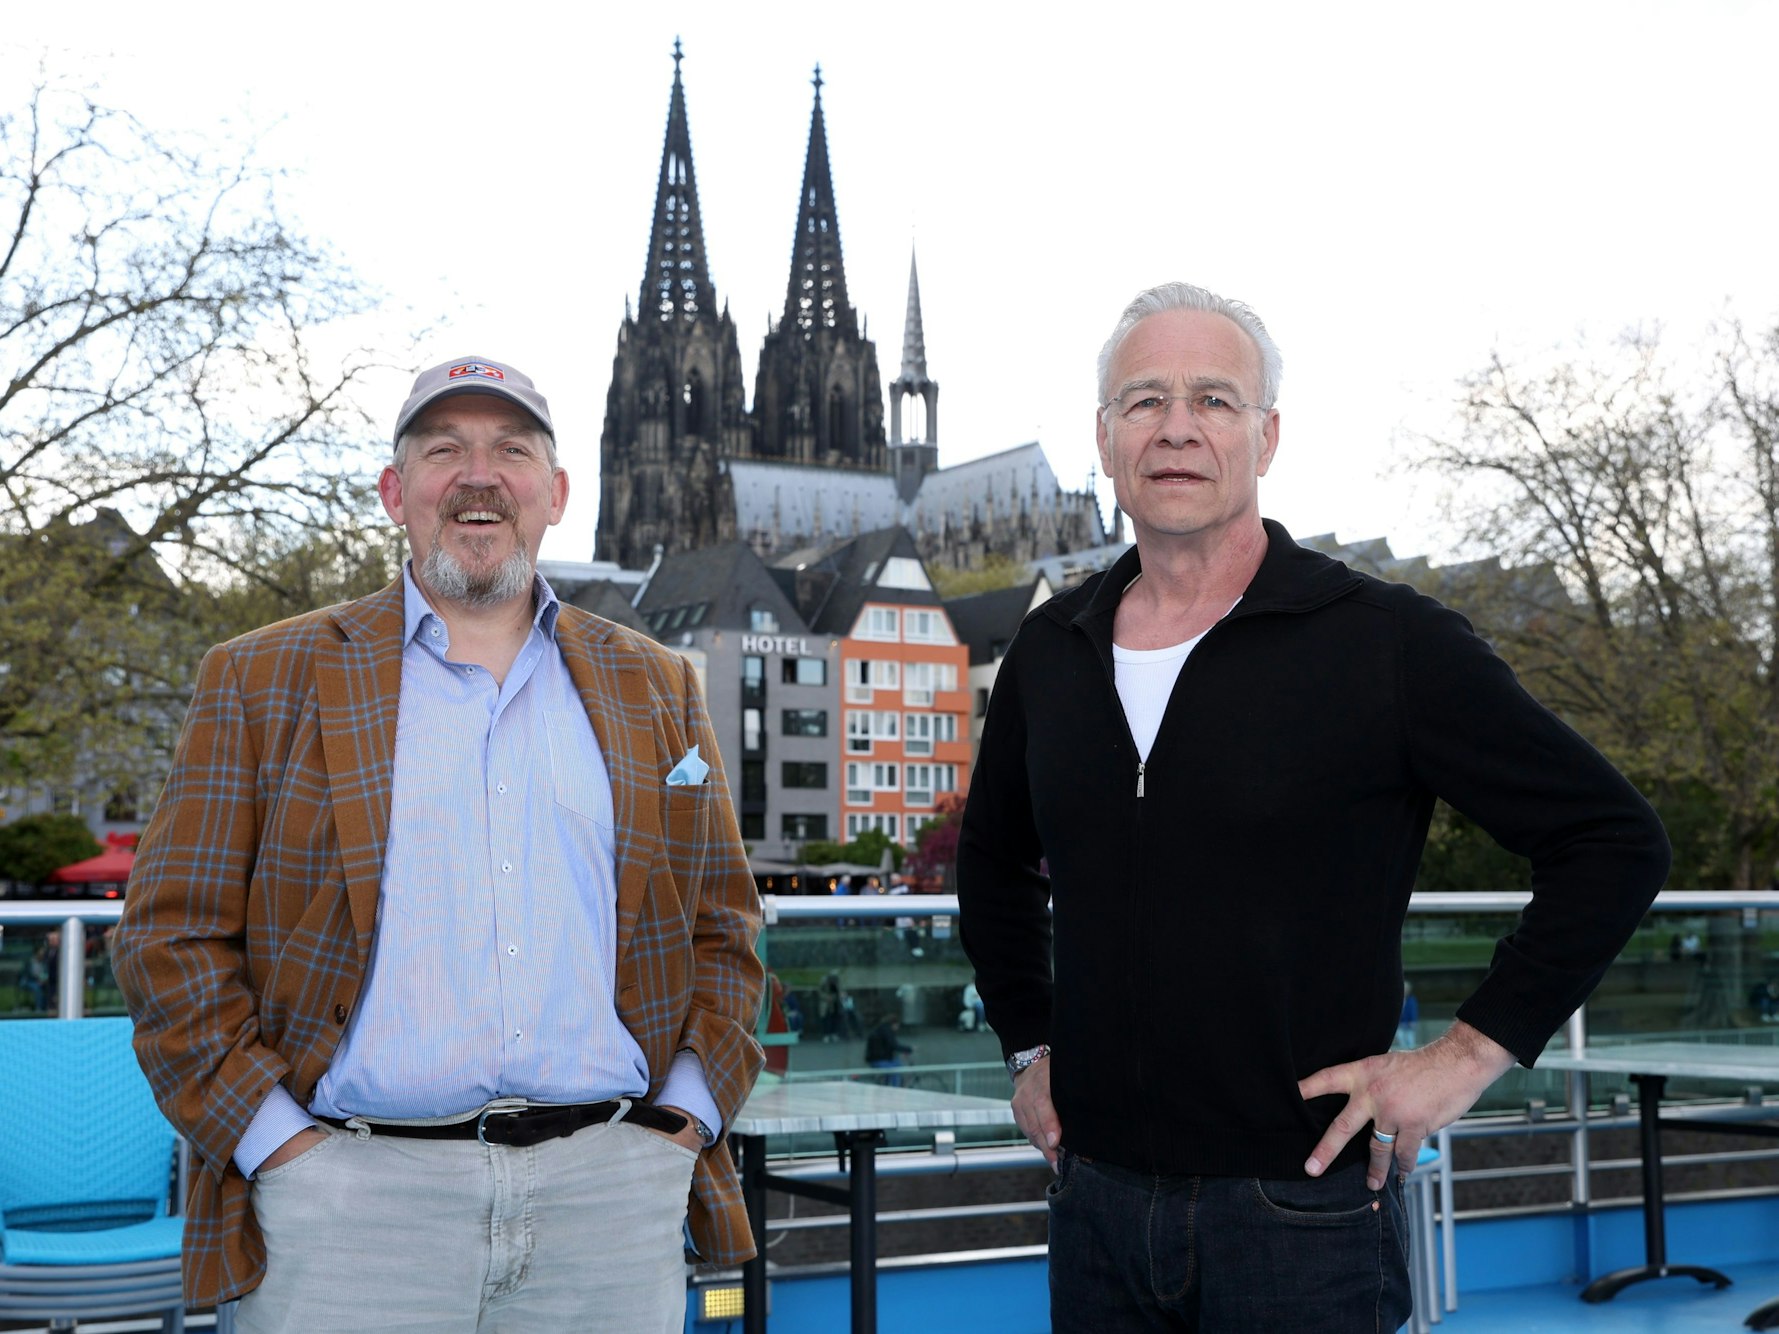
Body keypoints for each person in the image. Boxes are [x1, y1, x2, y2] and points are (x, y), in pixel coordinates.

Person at [957, 283, 1671, 1331]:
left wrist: (1464, 1057)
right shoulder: (1049, 652)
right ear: (1105, 440)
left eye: (1214, 397)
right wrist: (1028, 1045)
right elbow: (991, 858)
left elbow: (1612, 840)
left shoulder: (1380, 641)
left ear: (1267, 434)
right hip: (1096, 1204)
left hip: (1301, 1212)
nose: (1178, 427)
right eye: (1145, 400)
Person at [114, 356, 765, 1332]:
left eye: (511, 449)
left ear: (556, 493)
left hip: (609, 1199)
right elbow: (168, 938)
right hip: (352, 1205)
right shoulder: (262, 677)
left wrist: (681, 1122)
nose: (478, 474)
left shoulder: (655, 684)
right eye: (443, 449)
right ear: (395, 491)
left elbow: (726, 923)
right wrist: (276, 1142)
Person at [864, 1013, 914, 1086]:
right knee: (896, 1070)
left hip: (878, 1057)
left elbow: (888, 1046)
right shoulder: (887, 1032)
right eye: (898, 1025)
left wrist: (903, 1051)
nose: (898, 1028)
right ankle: (895, 1089)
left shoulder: (883, 1029)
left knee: (897, 1062)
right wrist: (909, 1049)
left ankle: (887, 1083)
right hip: (878, 1059)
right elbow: (894, 1045)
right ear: (894, 1024)